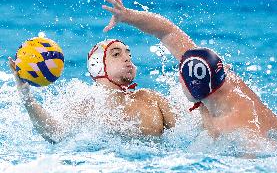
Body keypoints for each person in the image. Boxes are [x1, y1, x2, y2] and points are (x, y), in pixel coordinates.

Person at [102, 0, 277, 139]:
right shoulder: (213, 72)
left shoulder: (242, 131)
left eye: (180, 77)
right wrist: (126, 15)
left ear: (193, 88)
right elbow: (168, 32)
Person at [8, 39, 176, 144]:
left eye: (128, 54)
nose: (127, 58)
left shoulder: (152, 99)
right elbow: (54, 134)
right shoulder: (87, 104)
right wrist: (26, 96)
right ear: (98, 65)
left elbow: (192, 134)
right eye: (116, 54)